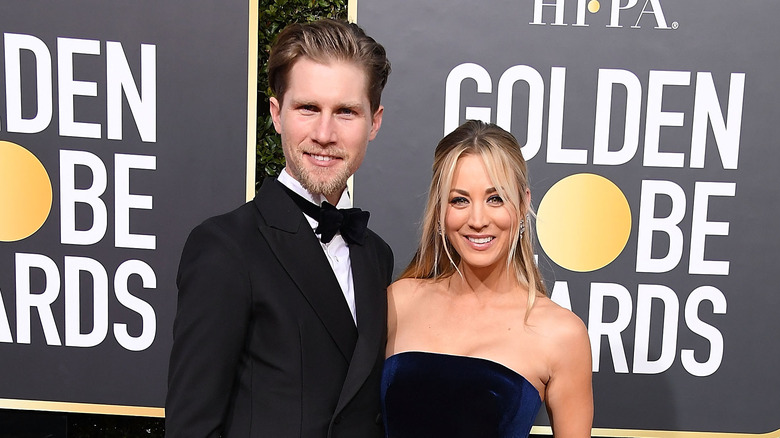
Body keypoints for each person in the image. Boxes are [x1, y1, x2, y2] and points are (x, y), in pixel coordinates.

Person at [165, 18, 393, 438]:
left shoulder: (376, 255)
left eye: (346, 111)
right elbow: (191, 429)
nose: (324, 134)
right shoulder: (226, 247)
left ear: (374, 122)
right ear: (277, 114)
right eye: (308, 108)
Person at [382, 120, 593, 438]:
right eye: (459, 200)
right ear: (440, 211)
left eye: (495, 199)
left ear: (523, 205)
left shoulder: (562, 334)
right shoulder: (399, 301)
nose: (477, 220)